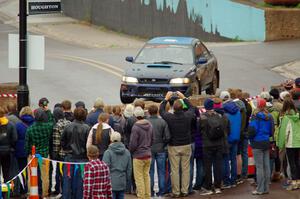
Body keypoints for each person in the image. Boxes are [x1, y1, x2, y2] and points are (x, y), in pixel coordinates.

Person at [159, 91, 195, 197]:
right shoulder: (188, 116)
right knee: (186, 169)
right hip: (186, 144)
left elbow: (161, 110)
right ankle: (185, 190)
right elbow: (192, 108)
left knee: (174, 170)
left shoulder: (170, 117)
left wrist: (166, 98)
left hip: (174, 146)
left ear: (174, 108)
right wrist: (184, 98)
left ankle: (176, 191)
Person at [199, 99, 228, 195]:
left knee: (207, 166)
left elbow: (199, 130)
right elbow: (224, 129)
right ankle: (218, 186)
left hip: (207, 145)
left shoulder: (202, 117)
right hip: (219, 144)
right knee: (217, 166)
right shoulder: (220, 116)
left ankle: (208, 187)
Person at [61, 107, 90, 199]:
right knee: (81, 181)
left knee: (67, 179)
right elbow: (88, 143)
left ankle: (66, 197)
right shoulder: (86, 128)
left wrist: (66, 149)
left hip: (69, 156)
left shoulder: (68, 126)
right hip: (82, 157)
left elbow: (62, 141)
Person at [25, 108, 54, 197]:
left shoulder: (30, 129)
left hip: (33, 155)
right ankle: (44, 193)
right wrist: (48, 111)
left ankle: (31, 192)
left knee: (31, 175)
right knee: (45, 176)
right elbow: (52, 121)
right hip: (44, 155)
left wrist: (28, 153)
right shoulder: (48, 127)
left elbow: (27, 143)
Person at [249, 98, 273, 195]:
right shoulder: (269, 116)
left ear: (257, 105)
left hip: (257, 142)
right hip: (266, 141)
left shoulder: (255, 116)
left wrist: (249, 137)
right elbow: (272, 130)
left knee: (259, 167)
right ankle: (266, 188)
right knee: (266, 165)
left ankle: (260, 188)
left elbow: (252, 130)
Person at [129, 107, 153, 199]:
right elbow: (152, 139)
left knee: (139, 178)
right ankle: (147, 196)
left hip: (138, 156)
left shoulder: (136, 127)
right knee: (146, 176)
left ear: (135, 116)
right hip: (148, 154)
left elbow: (133, 143)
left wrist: (131, 151)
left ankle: (141, 196)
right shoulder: (150, 125)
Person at [147, 104, 170, 196]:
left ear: (148, 112)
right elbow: (167, 137)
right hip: (161, 149)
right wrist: (163, 144)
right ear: (157, 112)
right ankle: (162, 191)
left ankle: (151, 192)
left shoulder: (146, 122)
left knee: (150, 172)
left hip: (149, 149)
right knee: (162, 171)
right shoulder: (163, 122)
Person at [277, 99, 300, 190]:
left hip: (290, 143)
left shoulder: (286, 118)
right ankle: (298, 180)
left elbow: (284, 133)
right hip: (298, 142)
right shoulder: (298, 116)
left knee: (292, 162)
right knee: (297, 161)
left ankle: (294, 181)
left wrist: (281, 145)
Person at [103, 132, 132, 199]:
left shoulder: (108, 152)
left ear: (111, 139)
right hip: (122, 180)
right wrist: (127, 179)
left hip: (110, 181)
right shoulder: (127, 152)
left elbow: (105, 168)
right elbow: (129, 168)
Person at [222, 92, 241, 188]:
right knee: (233, 159)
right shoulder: (238, 111)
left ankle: (226, 181)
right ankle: (234, 180)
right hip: (236, 138)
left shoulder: (224, 114)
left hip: (227, 139)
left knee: (225, 160)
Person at [51, 107, 71, 195]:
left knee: (60, 173)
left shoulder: (57, 126)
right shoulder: (70, 123)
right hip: (70, 153)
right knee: (67, 174)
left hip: (61, 154)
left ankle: (60, 191)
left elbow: (56, 142)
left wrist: (55, 153)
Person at [15, 106, 34, 195]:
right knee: (34, 170)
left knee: (22, 170)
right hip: (33, 150)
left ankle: (23, 189)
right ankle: (34, 188)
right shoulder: (35, 124)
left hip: (21, 150)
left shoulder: (18, 125)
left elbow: (15, 138)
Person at [0, 106, 17, 185]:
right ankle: (6, 192)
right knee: (6, 173)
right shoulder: (10, 124)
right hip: (7, 152)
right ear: (4, 114)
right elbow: (14, 138)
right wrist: (10, 147)